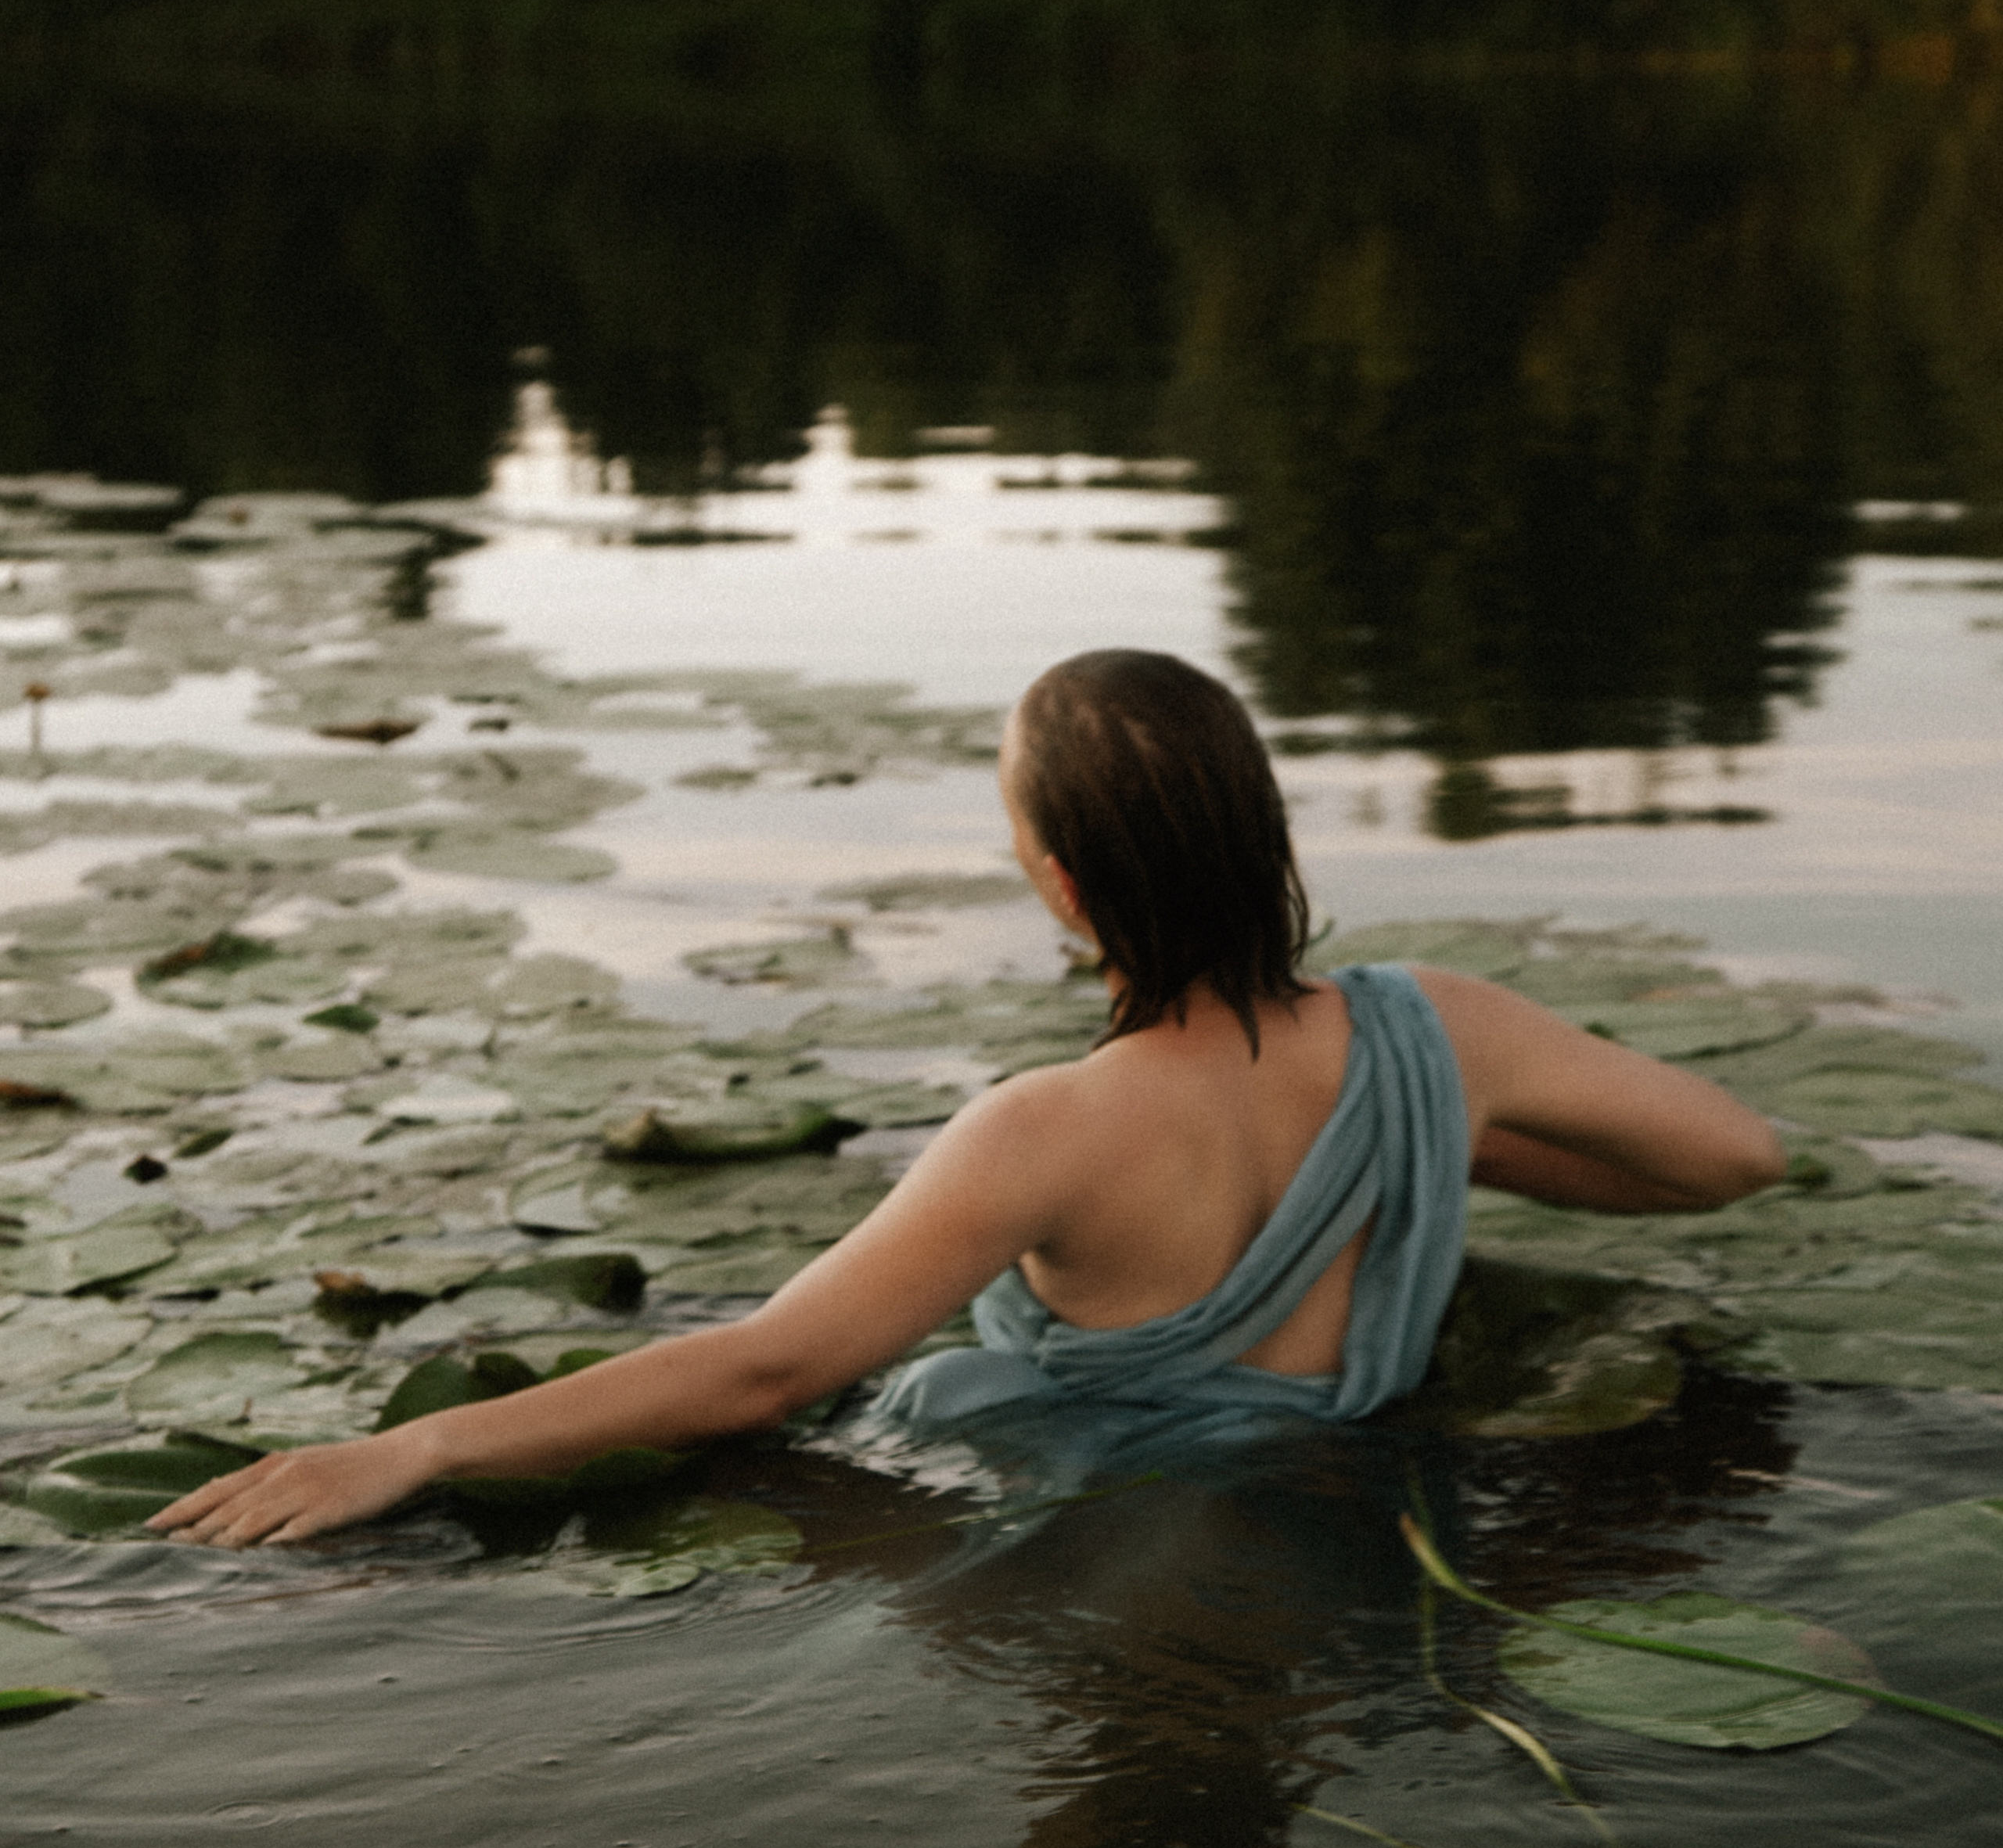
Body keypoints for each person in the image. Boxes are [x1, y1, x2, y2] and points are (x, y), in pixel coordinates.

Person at [150, 649, 1785, 1549]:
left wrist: (420, 1446)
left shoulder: (1043, 1131)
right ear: (1260, 836)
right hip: (1355, 1513)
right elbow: (1732, 1159)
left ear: (1062, 886)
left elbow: (761, 1367)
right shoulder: (1438, 1027)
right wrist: (1440, 1148)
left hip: (1095, 1525)